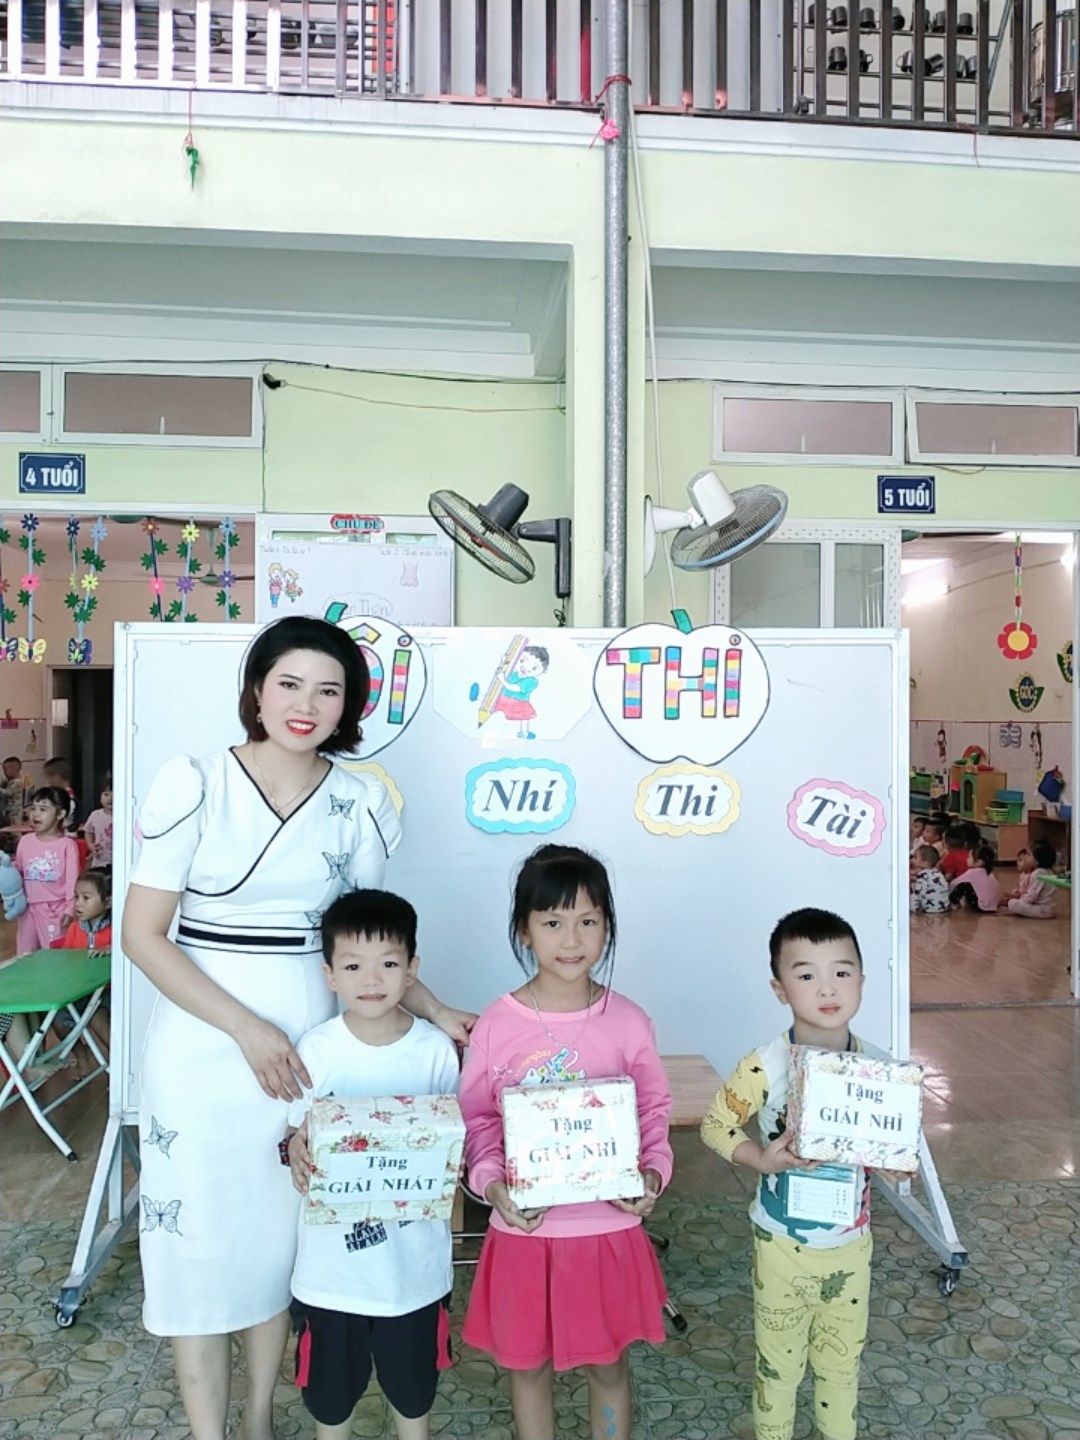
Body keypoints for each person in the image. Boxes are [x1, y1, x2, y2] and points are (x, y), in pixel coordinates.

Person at [121, 615, 475, 1440]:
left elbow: (368, 946)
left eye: (328, 690)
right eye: (289, 683)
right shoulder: (196, 782)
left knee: (285, 1244)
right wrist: (245, 1029)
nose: (305, 704)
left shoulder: (361, 801)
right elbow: (141, 936)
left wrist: (433, 1009)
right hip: (203, 1052)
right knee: (200, 1252)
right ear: (256, 690)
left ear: (350, 705)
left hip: (316, 1060)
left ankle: (257, 1421)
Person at [459, 843, 673, 1440]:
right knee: (527, 1369)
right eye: (552, 923)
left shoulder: (629, 1021)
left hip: (607, 1231)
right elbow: (479, 1120)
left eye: (588, 921)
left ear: (608, 926)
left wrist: (652, 1173)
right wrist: (493, 1187)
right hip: (526, 1234)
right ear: (523, 930)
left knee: (608, 1365)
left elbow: (653, 1111)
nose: (571, 939)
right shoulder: (497, 1025)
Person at [700, 908, 905, 1440]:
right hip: (781, 1248)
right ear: (779, 989)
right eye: (807, 974)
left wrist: (890, 1165)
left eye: (842, 971)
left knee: (841, 1368)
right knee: (779, 1370)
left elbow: (896, 1157)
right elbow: (715, 1126)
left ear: (862, 981)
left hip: (850, 1247)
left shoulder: (879, 1070)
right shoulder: (765, 1065)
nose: (827, 988)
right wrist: (760, 1158)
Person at [284, 889, 459, 1440]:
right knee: (330, 1405)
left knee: (414, 1397)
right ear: (330, 975)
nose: (372, 979)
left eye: (388, 963)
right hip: (331, 1277)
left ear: (412, 969)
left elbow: (455, 1142)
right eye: (353, 965)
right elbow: (294, 1134)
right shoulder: (315, 1050)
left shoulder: (435, 1050)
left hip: (415, 1275)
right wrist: (295, 1151)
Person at [13, 786, 79, 953]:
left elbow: (73, 882)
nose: (35, 814)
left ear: (60, 814)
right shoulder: (25, 841)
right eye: (33, 809)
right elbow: (17, 873)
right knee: (25, 954)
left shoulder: (68, 845)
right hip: (27, 908)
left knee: (53, 954)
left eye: (43, 809)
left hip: (55, 911)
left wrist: (70, 908)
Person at [1006, 840, 1058, 918]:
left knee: (1012, 903)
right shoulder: (1047, 871)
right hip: (1047, 908)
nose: (1025, 857)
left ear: (1037, 861)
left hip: (1042, 909)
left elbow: (1031, 897)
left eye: (1028, 855)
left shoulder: (1039, 873)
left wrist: (1019, 900)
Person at [949, 845, 1001, 914]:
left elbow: (954, 883)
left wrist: (948, 892)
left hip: (982, 907)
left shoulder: (973, 872)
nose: (967, 859)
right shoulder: (990, 873)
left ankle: (954, 903)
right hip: (993, 906)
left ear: (979, 862)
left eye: (969, 857)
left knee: (964, 884)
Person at [909, 844, 950, 914]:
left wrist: (912, 908)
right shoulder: (937, 872)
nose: (912, 860)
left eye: (915, 857)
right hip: (943, 907)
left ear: (924, 863)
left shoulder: (923, 875)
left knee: (914, 893)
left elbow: (918, 893)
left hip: (931, 909)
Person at [83, 778, 113, 867]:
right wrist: (90, 845)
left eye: (115, 794)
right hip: (99, 860)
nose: (110, 798)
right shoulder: (95, 815)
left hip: (120, 860)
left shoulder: (124, 817)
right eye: (106, 794)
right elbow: (88, 832)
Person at [42, 757, 77, 830]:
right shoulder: (67, 796)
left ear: (56, 777)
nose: (46, 782)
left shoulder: (65, 799)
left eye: (47, 778)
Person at [1, 755, 28, 827]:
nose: (4, 772)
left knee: (15, 828)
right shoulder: (11, 781)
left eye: (5, 770)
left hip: (15, 812)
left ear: (13, 769)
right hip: (9, 810)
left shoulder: (18, 782)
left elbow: (7, 793)